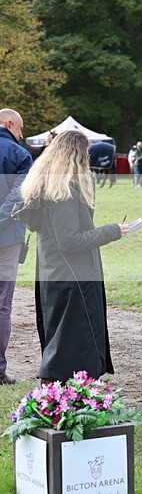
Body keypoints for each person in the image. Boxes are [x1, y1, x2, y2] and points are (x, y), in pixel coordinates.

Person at [14, 130, 131, 382]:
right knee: (71, 345)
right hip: (72, 278)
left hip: (55, 272)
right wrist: (112, 231)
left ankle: (64, 394)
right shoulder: (63, 191)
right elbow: (70, 241)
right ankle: (65, 398)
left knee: (63, 341)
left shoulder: (51, 185)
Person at [0, 108, 33, 385]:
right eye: (20, 130)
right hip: (7, 238)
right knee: (2, 305)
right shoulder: (21, 155)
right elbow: (18, 198)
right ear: (9, 124)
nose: (22, 135)